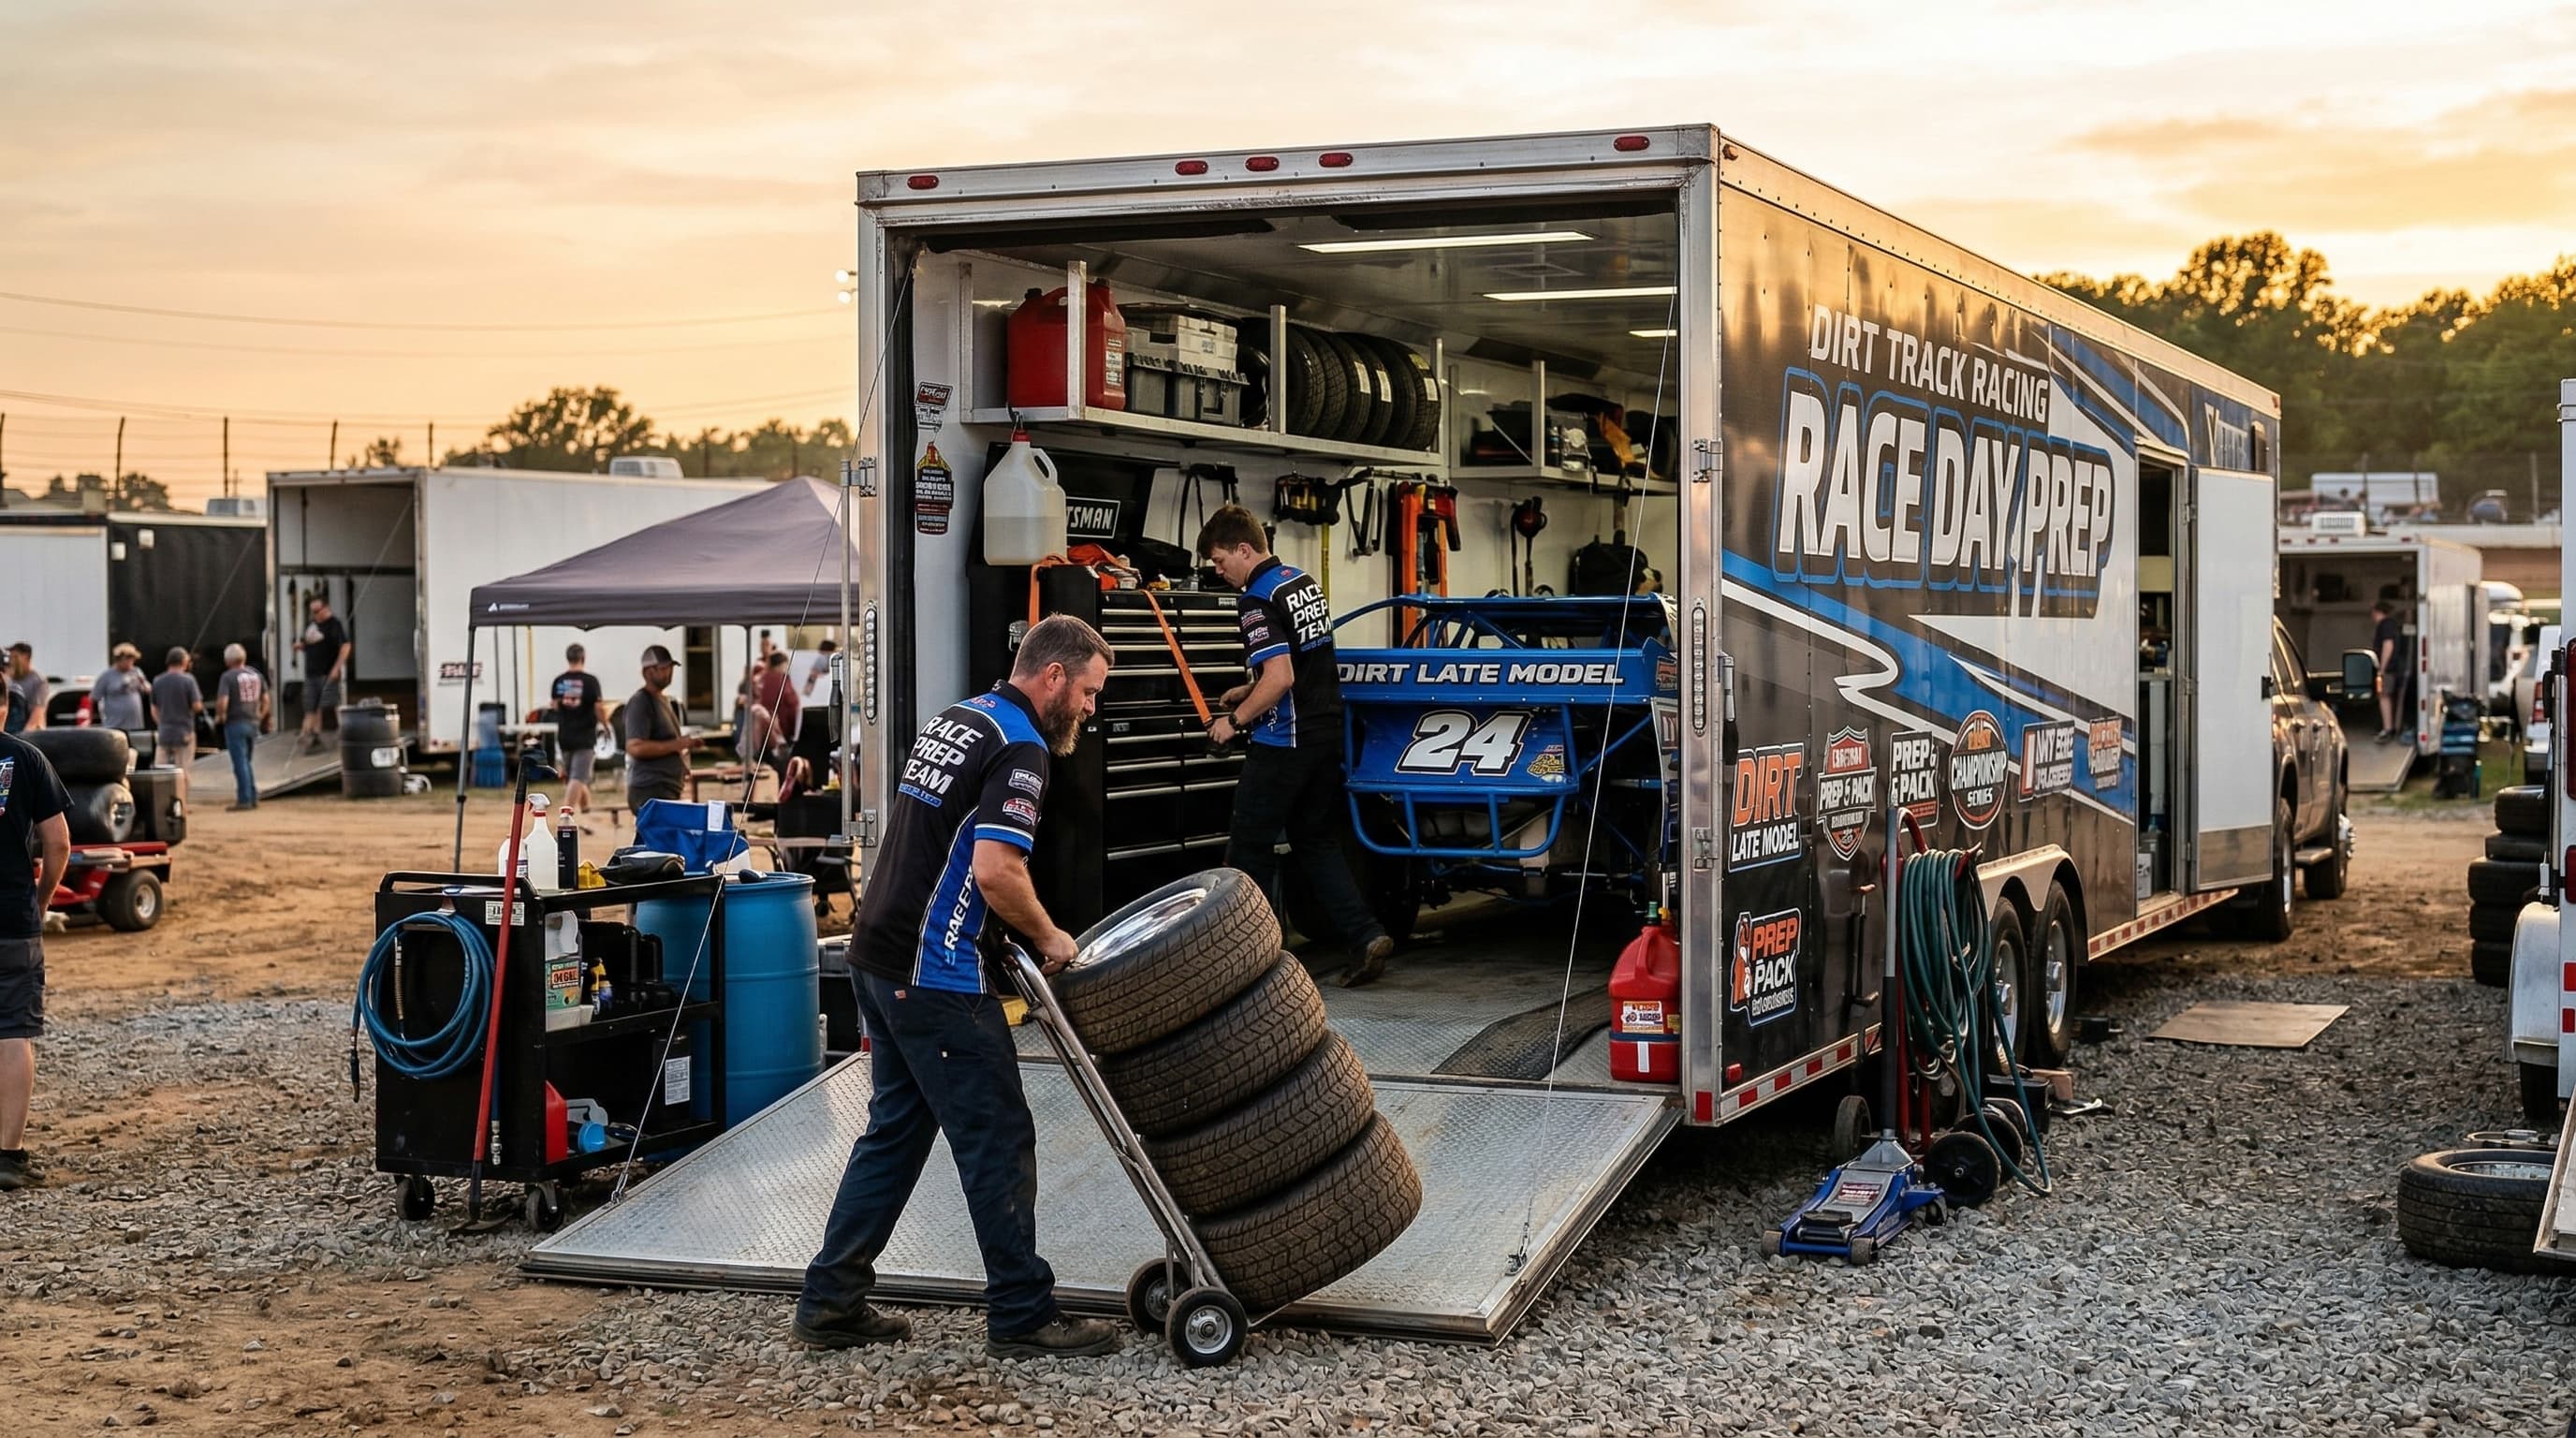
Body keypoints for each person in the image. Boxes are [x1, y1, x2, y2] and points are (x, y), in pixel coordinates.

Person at [796, 615, 1118, 1359]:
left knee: (896, 1136)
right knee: (998, 1139)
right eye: (1090, 693)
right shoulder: (1024, 749)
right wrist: (1048, 937)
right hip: (933, 972)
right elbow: (996, 869)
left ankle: (831, 1302)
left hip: (877, 957)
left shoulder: (960, 717)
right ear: (1053, 677)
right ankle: (1022, 1315)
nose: (1090, 711)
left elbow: (938, 842)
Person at [1195, 505, 1396, 987]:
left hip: (1283, 741)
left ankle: (1256, 966)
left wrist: (1234, 721)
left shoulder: (1256, 599)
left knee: (1249, 848)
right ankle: (1365, 934)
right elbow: (1300, 664)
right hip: (1327, 732)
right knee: (1316, 841)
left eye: (1221, 562)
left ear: (1244, 549)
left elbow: (1281, 676)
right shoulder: (1299, 580)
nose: (1220, 574)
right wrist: (1250, 686)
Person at [0, 725, 72, 1192]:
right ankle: (7, 1157)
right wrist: (41, 902)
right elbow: (59, 842)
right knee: (12, 1031)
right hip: (11, 920)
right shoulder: (26, 758)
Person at [622, 644, 696, 809]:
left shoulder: (664, 700)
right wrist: (676, 745)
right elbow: (635, 747)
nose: (668, 673)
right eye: (663, 669)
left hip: (665, 787)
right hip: (650, 788)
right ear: (647, 672)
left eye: (670, 668)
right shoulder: (641, 702)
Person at [547, 644, 609, 821]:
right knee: (577, 777)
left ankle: (587, 808)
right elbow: (598, 707)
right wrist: (605, 724)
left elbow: (555, 705)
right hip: (585, 735)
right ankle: (565, 816)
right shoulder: (590, 681)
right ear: (583, 658)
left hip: (565, 735)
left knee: (575, 776)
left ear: (568, 658)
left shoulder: (559, 681)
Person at [213, 644, 270, 812]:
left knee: (240, 762)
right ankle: (252, 796)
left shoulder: (228, 676)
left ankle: (244, 799)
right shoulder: (256, 674)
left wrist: (221, 716)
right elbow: (266, 699)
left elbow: (223, 700)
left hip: (235, 722)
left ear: (228, 660)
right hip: (253, 722)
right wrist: (260, 715)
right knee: (247, 761)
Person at [295, 595, 350, 754]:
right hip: (311, 672)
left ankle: (343, 732)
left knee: (332, 703)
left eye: (317, 611)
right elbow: (311, 645)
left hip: (327, 672)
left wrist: (336, 668)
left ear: (326, 608)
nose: (315, 614)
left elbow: (345, 646)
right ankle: (310, 735)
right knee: (311, 705)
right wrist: (301, 647)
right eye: (312, 611)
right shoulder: (311, 625)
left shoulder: (334, 625)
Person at [743, 651, 802, 788]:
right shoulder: (781, 680)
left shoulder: (758, 679)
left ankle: (755, 798)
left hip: (757, 735)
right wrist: (795, 732)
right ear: (781, 664)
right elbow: (792, 705)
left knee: (760, 774)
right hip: (778, 733)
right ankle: (780, 799)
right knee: (781, 772)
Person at [152, 648, 204, 802]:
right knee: (183, 770)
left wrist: (161, 723)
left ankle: (161, 801)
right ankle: (182, 803)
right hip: (184, 732)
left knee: (160, 770)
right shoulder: (189, 680)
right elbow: (196, 706)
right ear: (183, 662)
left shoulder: (158, 680)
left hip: (165, 732)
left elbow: (154, 709)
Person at [89, 644, 152, 735]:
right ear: (119, 660)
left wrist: (143, 683)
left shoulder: (136, 671)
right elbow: (94, 697)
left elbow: (148, 690)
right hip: (115, 724)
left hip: (134, 723)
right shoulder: (107, 676)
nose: (131, 664)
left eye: (132, 661)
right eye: (128, 661)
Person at [2372, 599, 2405, 742]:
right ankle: (2390, 726)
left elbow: (2388, 645)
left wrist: (2382, 668)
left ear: (2377, 612)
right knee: (2389, 696)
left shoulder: (2385, 625)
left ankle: (2387, 729)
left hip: (2389, 668)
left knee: (2383, 696)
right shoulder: (2392, 624)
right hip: (2395, 667)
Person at [5, 644, 49, 734]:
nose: (11, 660)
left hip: (29, 734)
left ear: (26, 657)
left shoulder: (38, 681)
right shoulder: (7, 679)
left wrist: (24, 736)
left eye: (15, 657)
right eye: (11, 657)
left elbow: (38, 712)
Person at [800, 639, 838, 703]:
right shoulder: (822, 658)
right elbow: (813, 674)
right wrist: (808, 690)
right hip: (817, 686)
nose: (835, 651)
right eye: (834, 649)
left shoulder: (823, 657)